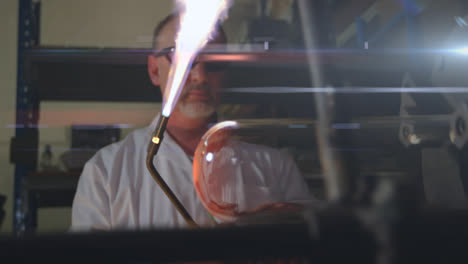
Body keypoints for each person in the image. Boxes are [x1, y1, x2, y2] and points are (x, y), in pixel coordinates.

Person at [71, 13, 313, 231]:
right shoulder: (105, 174)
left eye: (216, 60)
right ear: (154, 70)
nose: (200, 75)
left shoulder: (276, 169)